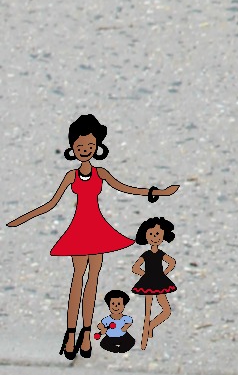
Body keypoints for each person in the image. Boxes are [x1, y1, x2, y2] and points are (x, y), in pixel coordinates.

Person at [6, 115, 180, 362]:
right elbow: (51, 203)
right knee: (77, 281)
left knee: (92, 282)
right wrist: (24, 218)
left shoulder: (101, 172)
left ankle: (86, 333)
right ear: (72, 148)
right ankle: (70, 333)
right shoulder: (71, 176)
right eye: (80, 147)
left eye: (89, 146)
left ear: (97, 147)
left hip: (97, 229)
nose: (85, 151)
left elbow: (126, 188)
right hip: (79, 229)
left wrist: (156, 192)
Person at [128, 215, 177, 349]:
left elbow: (171, 263)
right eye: (151, 234)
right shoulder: (147, 255)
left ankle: (149, 327)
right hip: (151, 281)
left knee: (165, 310)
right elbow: (135, 268)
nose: (154, 237)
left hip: (158, 281)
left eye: (157, 234)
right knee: (148, 309)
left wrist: (163, 274)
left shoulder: (160, 254)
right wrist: (147, 275)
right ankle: (145, 337)